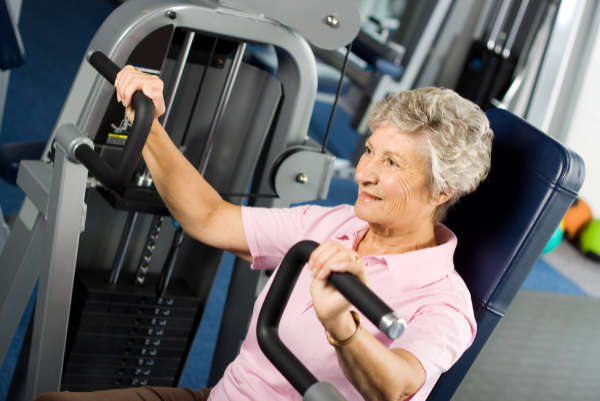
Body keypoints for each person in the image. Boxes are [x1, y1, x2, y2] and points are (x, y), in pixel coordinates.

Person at [35, 67, 493, 401]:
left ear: (443, 190)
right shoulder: (337, 224)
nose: (364, 173)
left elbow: (394, 387)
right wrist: (149, 126)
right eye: (370, 151)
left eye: (391, 163)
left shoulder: (445, 305)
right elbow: (211, 218)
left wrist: (343, 328)